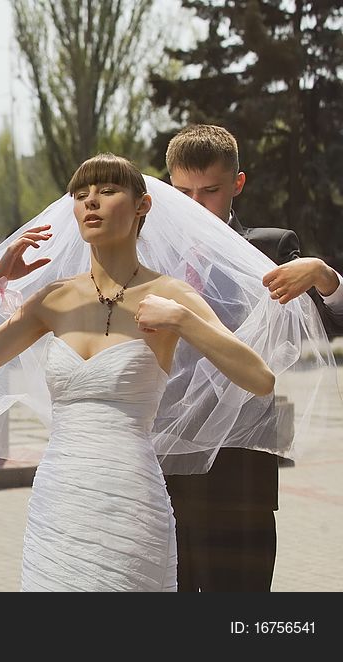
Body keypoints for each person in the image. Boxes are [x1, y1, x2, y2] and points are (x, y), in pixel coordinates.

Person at [0, 153, 276, 591]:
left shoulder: (172, 294)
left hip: (131, 499)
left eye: (107, 190)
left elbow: (260, 379)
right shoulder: (52, 299)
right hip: (59, 499)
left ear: (143, 206)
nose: (90, 202)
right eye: (81, 195)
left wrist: (182, 321)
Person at [162, 124, 343, 591]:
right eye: (183, 192)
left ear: (237, 184)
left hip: (240, 479)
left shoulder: (270, 249)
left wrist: (324, 276)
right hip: (161, 475)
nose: (195, 204)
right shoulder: (148, 252)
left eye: (210, 191)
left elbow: (330, 324)